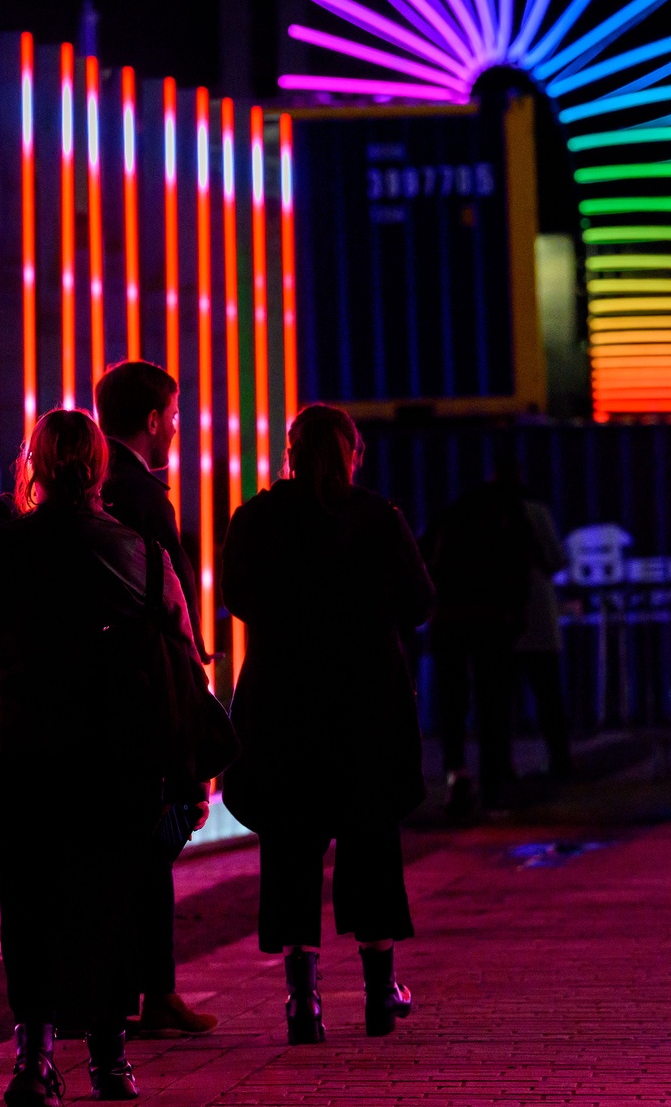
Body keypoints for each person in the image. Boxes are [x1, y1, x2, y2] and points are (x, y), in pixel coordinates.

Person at [0, 409, 202, 1107]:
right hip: (119, 756)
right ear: (99, 470)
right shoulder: (143, 555)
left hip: (14, 756)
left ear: (33, 469)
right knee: (111, 899)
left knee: (27, 900)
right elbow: (182, 658)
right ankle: (110, 1058)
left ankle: (35, 1053)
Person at [221, 404, 434, 1045]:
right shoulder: (378, 518)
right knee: (371, 845)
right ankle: (377, 993)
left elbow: (236, 597)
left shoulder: (257, 518)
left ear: (289, 454)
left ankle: (302, 1002)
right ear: (351, 455)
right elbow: (421, 603)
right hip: (367, 708)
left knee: (289, 848)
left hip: (284, 707)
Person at [92, 360, 215, 1038]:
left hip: (89, 691)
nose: (176, 427)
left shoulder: (87, 486)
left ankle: (117, 991)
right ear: (151, 420)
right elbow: (169, 599)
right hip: (143, 689)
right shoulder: (144, 498)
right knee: (156, 835)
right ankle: (156, 991)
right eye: (172, 415)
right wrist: (190, 673)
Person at [424, 463, 537, 813]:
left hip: (449, 620)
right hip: (491, 622)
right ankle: (491, 786)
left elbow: (422, 555)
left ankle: (456, 776)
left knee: (453, 703)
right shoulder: (511, 517)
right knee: (493, 704)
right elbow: (524, 569)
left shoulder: (455, 512)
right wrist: (514, 616)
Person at [514, 480, 572, 780]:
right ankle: (560, 762)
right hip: (539, 620)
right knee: (549, 698)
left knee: (498, 703)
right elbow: (558, 559)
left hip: (502, 622)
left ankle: (500, 769)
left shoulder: (485, 514)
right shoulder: (536, 513)